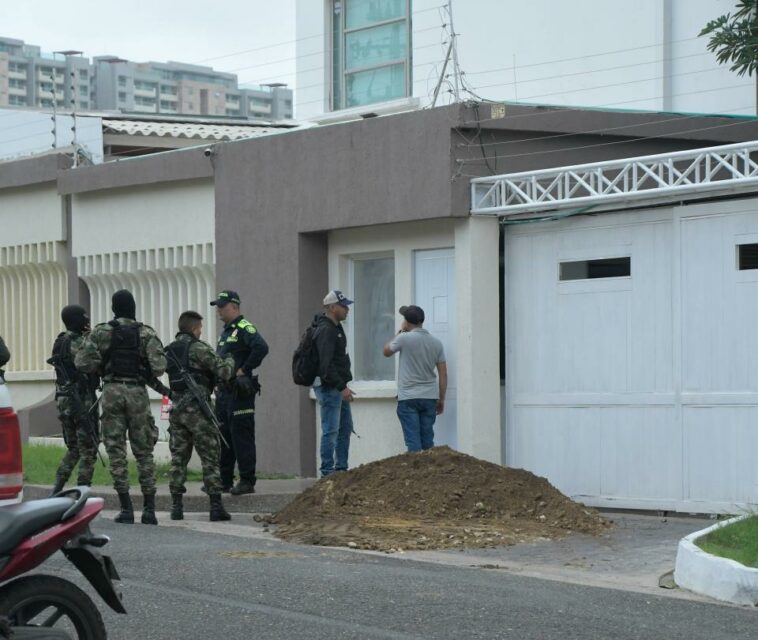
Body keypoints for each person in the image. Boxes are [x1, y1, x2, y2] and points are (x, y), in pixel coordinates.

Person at [75, 289, 167, 525]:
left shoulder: (101, 332)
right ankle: (149, 510)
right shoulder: (146, 332)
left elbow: (82, 362)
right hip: (137, 392)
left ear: (114, 308)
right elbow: (159, 367)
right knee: (144, 450)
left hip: (112, 391)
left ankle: (126, 508)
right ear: (133, 307)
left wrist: (101, 364)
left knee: (116, 450)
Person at [165, 310, 235, 521]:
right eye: (200, 329)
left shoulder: (169, 350)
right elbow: (223, 372)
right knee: (210, 458)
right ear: (195, 329)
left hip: (177, 411)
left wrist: (168, 393)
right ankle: (215, 508)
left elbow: (156, 374)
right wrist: (231, 360)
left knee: (178, 458)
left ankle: (176, 507)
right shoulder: (199, 348)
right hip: (199, 411)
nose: (201, 332)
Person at [211, 290, 268, 495]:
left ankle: (246, 480)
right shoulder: (226, 332)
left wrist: (244, 369)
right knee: (225, 436)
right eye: (218, 306)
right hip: (224, 393)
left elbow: (261, 347)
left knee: (241, 436)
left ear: (234, 307)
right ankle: (224, 479)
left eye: (222, 306)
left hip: (239, 392)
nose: (219, 310)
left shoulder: (245, 327)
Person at [48, 305, 100, 495]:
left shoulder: (60, 340)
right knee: (89, 449)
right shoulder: (79, 342)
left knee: (74, 449)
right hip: (81, 400)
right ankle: (82, 491)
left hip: (63, 399)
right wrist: (92, 338)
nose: (87, 322)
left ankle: (57, 488)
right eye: (84, 318)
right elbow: (93, 363)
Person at [383, 305, 447, 452]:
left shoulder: (403, 338)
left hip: (408, 397)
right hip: (429, 397)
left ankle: (416, 474)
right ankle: (428, 473)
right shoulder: (436, 343)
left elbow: (386, 351)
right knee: (427, 442)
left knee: (413, 443)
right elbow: (443, 374)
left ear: (406, 321)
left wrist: (399, 333)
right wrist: (441, 399)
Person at [312, 290, 356, 477]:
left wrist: (343, 385)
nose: (347, 309)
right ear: (332, 308)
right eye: (343, 306)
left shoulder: (336, 327)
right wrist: (342, 386)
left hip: (338, 386)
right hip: (329, 387)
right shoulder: (326, 330)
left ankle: (341, 469)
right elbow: (326, 366)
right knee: (331, 430)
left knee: (345, 428)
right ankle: (327, 472)